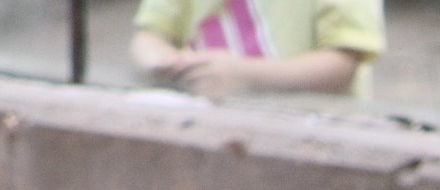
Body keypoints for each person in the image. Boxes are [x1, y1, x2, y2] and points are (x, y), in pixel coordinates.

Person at [130, 0, 384, 100]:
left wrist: (246, 76)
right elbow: (150, 34)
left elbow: (344, 63)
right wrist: (166, 62)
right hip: (202, 133)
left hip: (304, 139)